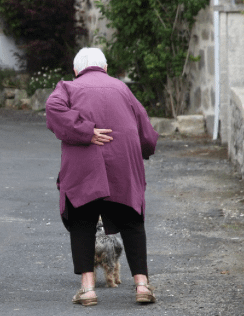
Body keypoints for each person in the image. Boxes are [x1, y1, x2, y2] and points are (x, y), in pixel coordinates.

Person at [46, 47, 159, 306]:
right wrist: (145, 149)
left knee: (83, 221)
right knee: (132, 221)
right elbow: (145, 129)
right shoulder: (122, 88)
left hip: (84, 165)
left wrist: (85, 131)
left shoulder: (68, 87)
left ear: (77, 70)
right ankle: (142, 285)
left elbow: (53, 109)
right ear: (105, 68)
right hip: (123, 162)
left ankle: (87, 289)